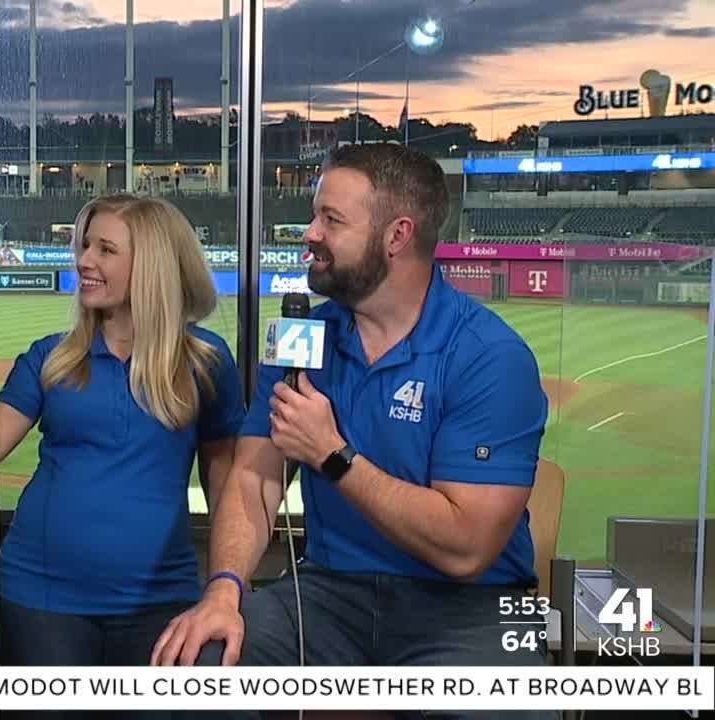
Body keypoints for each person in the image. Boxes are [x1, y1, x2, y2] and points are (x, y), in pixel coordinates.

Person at [152, 144, 555, 720]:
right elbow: (253, 476)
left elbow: (467, 549)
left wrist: (334, 455)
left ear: (397, 235)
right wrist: (223, 590)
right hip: (328, 594)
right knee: (191, 675)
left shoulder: (489, 356)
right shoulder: (301, 341)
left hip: (472, 609)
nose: (309, 233)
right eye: (315, 215)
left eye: (331, 220)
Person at [0, 194, 245, 716]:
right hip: (43, 599)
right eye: (85, 245)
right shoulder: (51, 356)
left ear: (151, 264)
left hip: (161, 601)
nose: (85, 260)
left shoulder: (205, 361)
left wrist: (224, 584)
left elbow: (228, 484)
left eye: (105, 249)